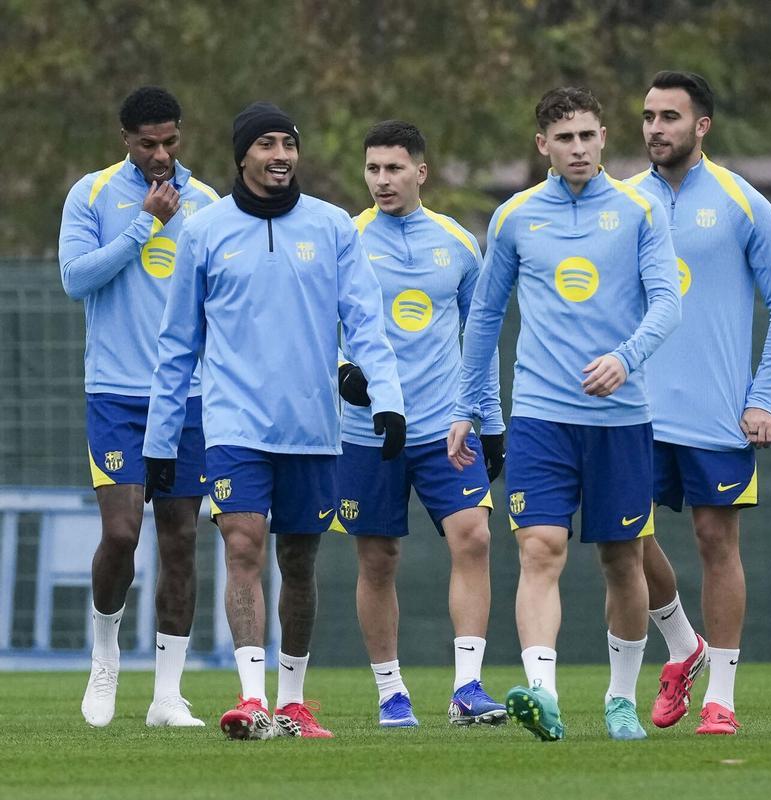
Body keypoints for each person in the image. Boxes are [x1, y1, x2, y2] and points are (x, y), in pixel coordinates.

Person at [144, 102, 407, 741]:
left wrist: (389, 401)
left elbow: (366, 324)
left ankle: (293, 701)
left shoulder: (334, 226)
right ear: (242, 155)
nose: (281, 155)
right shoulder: (204, 231)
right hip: (233, 427)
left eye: (289, 144)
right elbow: (178, 343)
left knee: (299, 560)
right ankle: (251, 698)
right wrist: (160, 438)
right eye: (267, 144)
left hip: (313, 430)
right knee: (242, 545)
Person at [448, 86, 680, 741]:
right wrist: (469, 405)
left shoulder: (639, 211)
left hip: (622, 420)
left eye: (587, 136)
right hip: (541, 418)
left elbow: (667, 302)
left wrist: (626, 359)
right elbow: (486, 315)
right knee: (540, 550)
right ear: (542, 145)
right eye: (564, 138)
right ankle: (542, 692)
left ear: (604, 137)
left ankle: (620, 699)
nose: (578, 148)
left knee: (621, 560)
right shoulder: (517, 217)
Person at [627, 71, 771, 734]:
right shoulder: (621, 202)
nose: (656, 129)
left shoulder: (742, 202)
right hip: (634, 412)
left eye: (670, 117)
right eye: (648, 117)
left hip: (716, 412)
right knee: (624, 538)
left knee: (714, 541)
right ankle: (682, 648)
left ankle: (722, 696)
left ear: (701, 126)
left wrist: (761, 399)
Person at [335, 120, 507, 728]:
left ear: (421, 172)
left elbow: (479, 338)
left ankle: (467, 688)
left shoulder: (459, 243)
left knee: (475, 538)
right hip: (368, 433)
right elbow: (322, 324)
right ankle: (391, 692)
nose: (383, 180)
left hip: (444, 430)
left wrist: (490, 423)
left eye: (394, 168)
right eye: (373, 169)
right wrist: (343, 373)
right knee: (378, 558)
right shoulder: (346, 238)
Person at [59, 86, 219, 729]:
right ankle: (105, 659)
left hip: (189, 398)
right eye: (148, 143)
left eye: (170, 141)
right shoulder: (91, 195)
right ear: (125, 139)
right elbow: (76, 278)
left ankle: (167, 696)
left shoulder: (208, 204)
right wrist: (144, 223)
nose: (161, 154)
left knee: (180, 541)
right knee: (122, 533)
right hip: (116, 395)